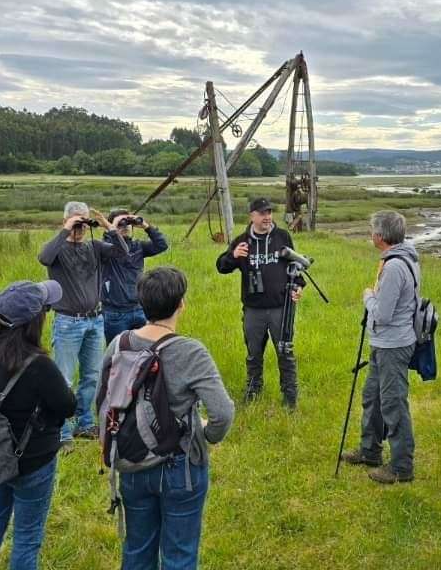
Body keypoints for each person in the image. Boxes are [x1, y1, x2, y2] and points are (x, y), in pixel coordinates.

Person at [102, 266, 234, 570]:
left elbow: (105, 401)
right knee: (179, 555)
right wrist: (206, 435)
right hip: (180, 465)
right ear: (181, 304)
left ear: (141, 303)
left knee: (137, 550)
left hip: (131, 460)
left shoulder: (119, 344)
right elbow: (223, 413)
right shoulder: (190, 352)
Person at [0, 280, 76, 570]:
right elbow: (68, 406)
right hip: (32, 459)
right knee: (27, 537)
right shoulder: (38, 365)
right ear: (34, 321)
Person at [38, 201, 127, 447]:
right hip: (68, 322)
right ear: (65, 221)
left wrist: (110, 228)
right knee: (63, 379)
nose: (81, 227)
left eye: (83, 222)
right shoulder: (57, 250)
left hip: (95, 320)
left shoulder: (95, 247)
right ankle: (61, 431)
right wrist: (66, 229)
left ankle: (84, 422)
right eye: (77, 222)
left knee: (91, 376)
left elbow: (122, 253)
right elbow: (44, 258)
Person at [340, 211, 418, 484]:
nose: (370, 234)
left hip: (392, 344)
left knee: (393, 404)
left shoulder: (395, 266)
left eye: (372, 230)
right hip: (383, 342)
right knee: (372, 397)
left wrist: (368, 297)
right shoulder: (399, 257)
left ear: (381, 236)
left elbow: (383, 314)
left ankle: (401, 466)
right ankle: (369, 450)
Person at [215, 197, 304, 408]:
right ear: (252, 216)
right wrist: (233, 256)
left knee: (285, 352)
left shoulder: (282, 237)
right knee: (253, 354)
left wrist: (298, 287)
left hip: (280, 308)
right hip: (253, 310)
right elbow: (221, 267)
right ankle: (253, 391)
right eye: (262, 213)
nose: (267, 217)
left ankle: (290, 397)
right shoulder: (242, 241)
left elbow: (295, 267)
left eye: (269, 212)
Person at [101, 209, 169, 344]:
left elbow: (161, 245)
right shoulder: (105, 248)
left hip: (139, 309)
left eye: (128, 223)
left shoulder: (138, 247)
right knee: (117, 351)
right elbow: (107, 243)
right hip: (115, 313)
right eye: (121, 224)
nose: (125, 226)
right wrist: (112, 229)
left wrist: (146, 226)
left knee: (143, 350)